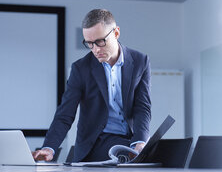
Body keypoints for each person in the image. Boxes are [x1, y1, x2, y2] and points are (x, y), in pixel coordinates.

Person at [32, 9, 151, 162]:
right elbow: (65, 114)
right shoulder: (81, 69)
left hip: (130, 142)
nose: (96, 49)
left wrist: (140, 141)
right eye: (89, 44)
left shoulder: (140, 61)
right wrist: (49, 147)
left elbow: (142, 107)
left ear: (116, 33)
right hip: (95, 145)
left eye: (100, 42)